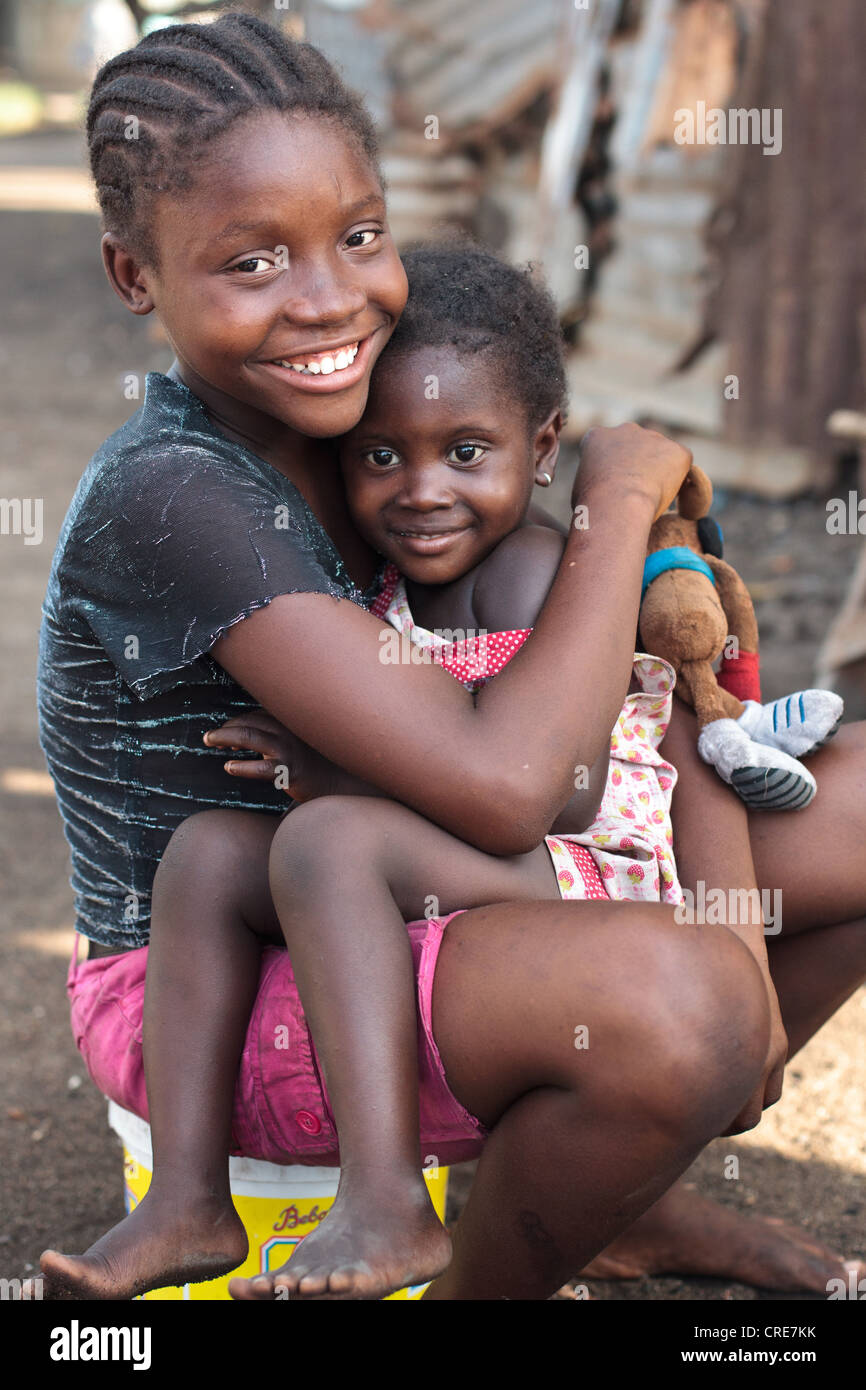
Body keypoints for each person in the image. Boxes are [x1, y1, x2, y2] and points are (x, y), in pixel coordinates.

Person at [35, 12, 866, 1302]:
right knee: (679, 1005)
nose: (327, 301)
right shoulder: (177, 492)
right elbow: (512, 788)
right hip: (231, 977)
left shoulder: (372, 407)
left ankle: (607, 1180)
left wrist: (742, 943)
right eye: (252, 262)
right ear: (135, 277)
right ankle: (479, 1268)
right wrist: (618, 499)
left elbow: (642, 714)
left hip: (422, 874)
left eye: (358, 238)